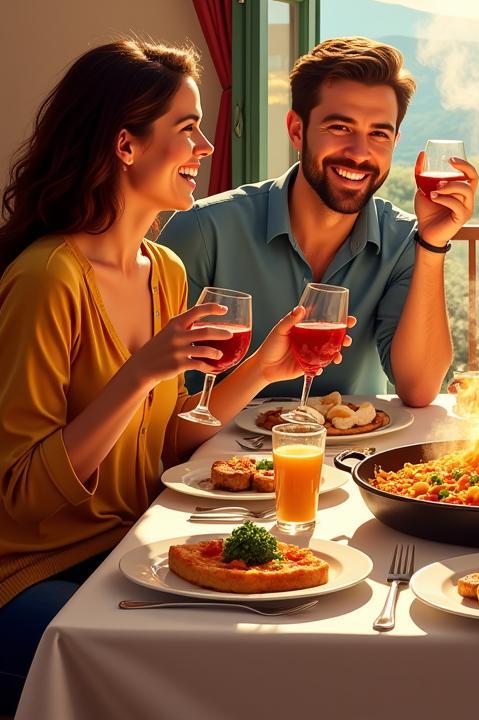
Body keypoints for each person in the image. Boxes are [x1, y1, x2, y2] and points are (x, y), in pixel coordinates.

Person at [0, 38, 332, 713]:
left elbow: (165, 445)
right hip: (32, 573)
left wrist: (265, 366)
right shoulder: (45, 279)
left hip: (127, 548)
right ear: (126, 146)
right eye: (187, 131)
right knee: (195, 671)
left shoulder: (165, 271)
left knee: (280, 640)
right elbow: (21, 497)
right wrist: (140, 372)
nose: (206, 148)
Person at [159, 37, 477, 407]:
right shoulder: (202, 231)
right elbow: (155, 407)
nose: (360, 153)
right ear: (297, 130)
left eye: (378, 133)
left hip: (354, 457)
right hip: (216, 458)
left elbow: (419, 390)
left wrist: (433, 243)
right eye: (340, 128)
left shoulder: (406, 240)